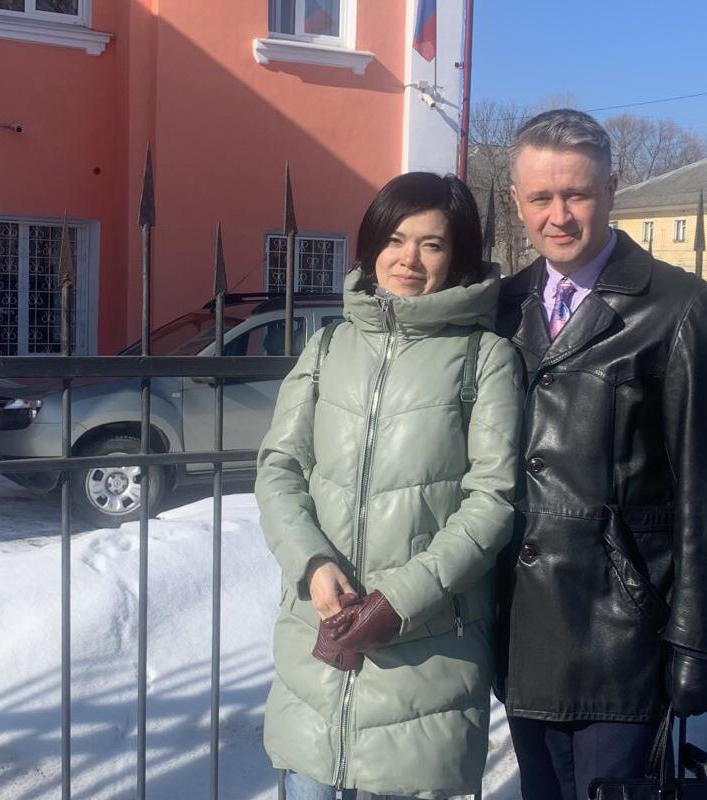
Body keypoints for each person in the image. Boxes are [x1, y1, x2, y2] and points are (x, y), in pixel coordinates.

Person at [493, 109, 707, 800]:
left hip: (621, 634)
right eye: (541, 197)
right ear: (516, 200)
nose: (558, 216)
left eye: (576, 194)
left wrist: (697, 646)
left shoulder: (682, 308)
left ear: (611, 189)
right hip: (521, 631)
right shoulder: (502, 308)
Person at [257, 171, 524, 800]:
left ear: (456, 256)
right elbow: (279, 467)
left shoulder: (485, 357)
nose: (409, 259)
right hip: (318, 654)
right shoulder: (326, 347)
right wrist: (312, 562)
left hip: (424, 660)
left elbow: (492, 502)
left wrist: (398, 601)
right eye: (395, 239)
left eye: (432, 244)